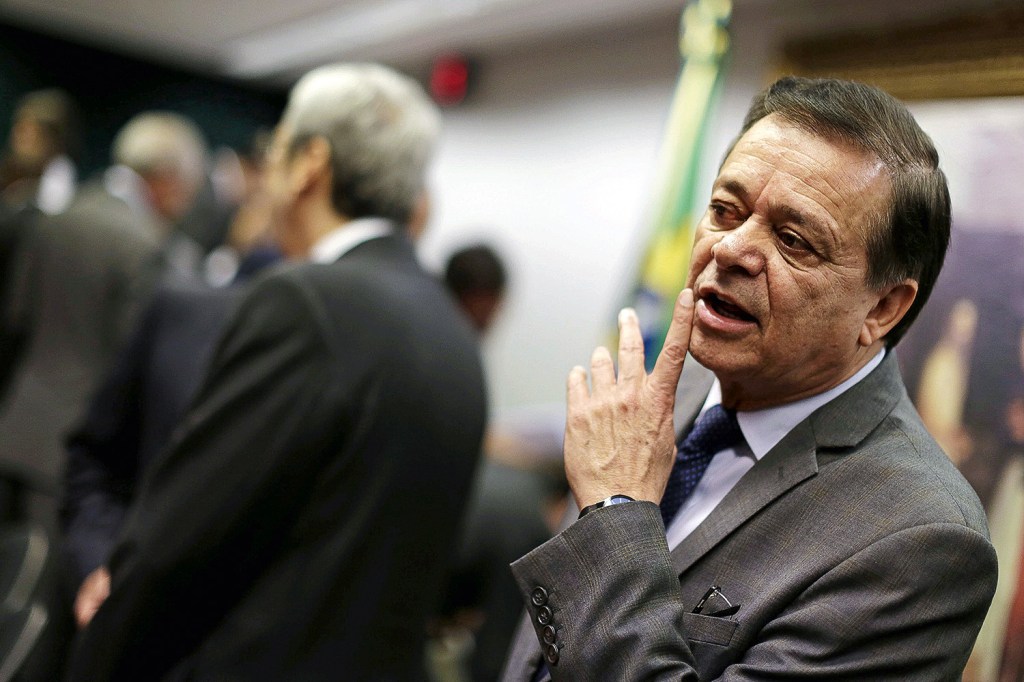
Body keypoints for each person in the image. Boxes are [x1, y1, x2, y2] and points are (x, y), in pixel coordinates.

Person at [501, 76, 996, 680]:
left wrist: (615, 508)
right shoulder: (672, 386)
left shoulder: (921, 539)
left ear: (882, 309)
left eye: (793, 240)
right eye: (724, 210)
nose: (731, 248)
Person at [67, 62, 487, 681]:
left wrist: (99, 656)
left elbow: (186, 535)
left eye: (276, 148)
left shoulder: (304, 301)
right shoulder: (452, 329)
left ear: (310, 164)